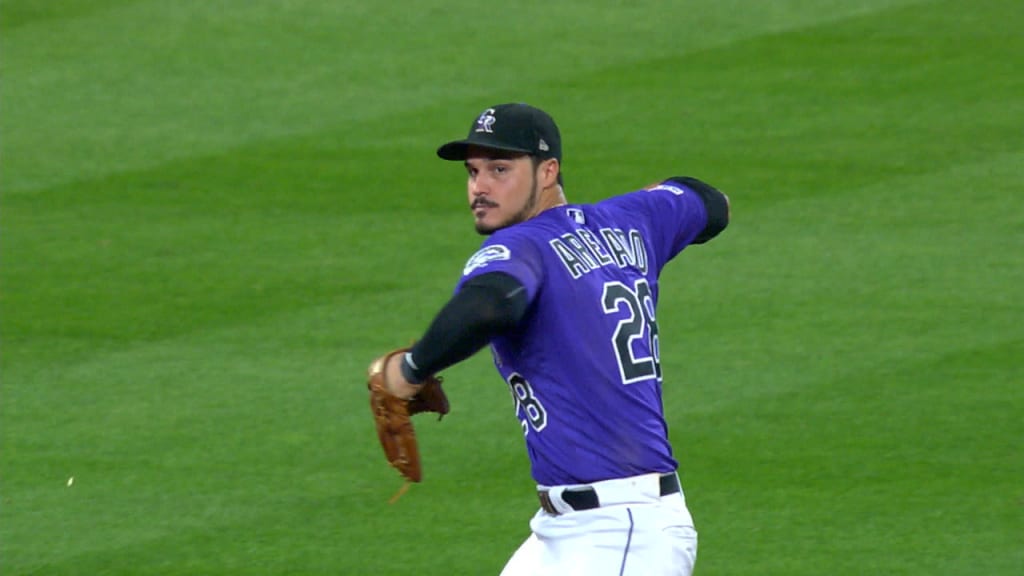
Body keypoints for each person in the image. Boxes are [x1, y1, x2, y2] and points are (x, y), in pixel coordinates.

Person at [375, 103, 730, 575]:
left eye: (500, 169)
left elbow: (491, 303)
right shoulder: (631, 220)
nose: (480, 187)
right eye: (473, 171)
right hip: (566, 530)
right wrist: (643, 208)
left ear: (548, 171)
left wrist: (410, 371)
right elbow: (711, 203)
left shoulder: (520, 245)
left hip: (620, 533)